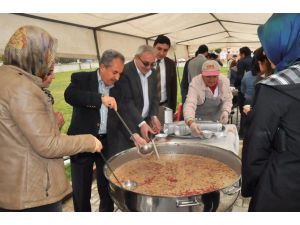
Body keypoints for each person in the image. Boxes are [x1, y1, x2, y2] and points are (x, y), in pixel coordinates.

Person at [0, 26, 102, 212]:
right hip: (32, 194)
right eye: (47, 54)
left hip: (11, 185)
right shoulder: (22, 88)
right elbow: (48, 145)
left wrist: (51, 123)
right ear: (33, 54)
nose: (49, 61)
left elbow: (17, 133)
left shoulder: (5, 78)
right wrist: (89, 141)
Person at [64, 50, 146, 212]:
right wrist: (100, 99)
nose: (117, 77)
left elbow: (121, 113)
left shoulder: (119, 85)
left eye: (120, 73)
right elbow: (70, 95)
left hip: (107, 142)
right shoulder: (81, 79)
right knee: (81, 193)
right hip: (82, 143)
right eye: (114, 72)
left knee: (107, 191)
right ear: (102, 67)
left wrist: (134, 134)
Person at [242, 13, 300, 211]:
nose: (266, 54)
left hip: (281, 189)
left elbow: (256, 148)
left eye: (268, 47)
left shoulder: (274, 88)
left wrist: (251, 188)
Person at [117, 45, 160, 144]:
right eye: (145, 63)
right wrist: (141, 123)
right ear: (136, 58)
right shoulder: (124, 72)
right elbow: (127, 102)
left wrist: (153, 115)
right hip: (129, 123)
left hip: (145, 121)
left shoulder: (153, 73)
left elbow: (155, 97)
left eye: (152, 64)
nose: (149, 67)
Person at [183, 60, 233, 136]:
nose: (212, 80)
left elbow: (227, 99)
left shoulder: (224, 81)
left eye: (214, 76)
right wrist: (190, 121)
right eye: (208, 76)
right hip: (198, 122)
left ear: (218, 74)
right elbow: (190, 103)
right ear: (202, 74)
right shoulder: (195, 82)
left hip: (217, 121)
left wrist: (226, 111)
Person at [153, 35, 177, 123]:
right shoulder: (146, 62)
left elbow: (173, 88)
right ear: (153, 46)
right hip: (148, 109)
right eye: (159, 49)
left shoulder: (170, 64)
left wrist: (173, 110)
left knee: (165, 134)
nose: (162, 53)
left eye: (165, 50)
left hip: (164, 107)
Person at [234, 46, 252, 139]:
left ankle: (242, 134)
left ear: (243, 54)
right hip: (255, 89)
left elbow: (239, 76)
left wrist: (235, 85)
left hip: (243, 89)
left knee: (243, 112)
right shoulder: (254, 60)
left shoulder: (241, 61)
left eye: (240, 54)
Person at [42, 63, 65, 130]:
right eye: (49, 73)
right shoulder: (29, 98)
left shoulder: (45, 94)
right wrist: (56, 126)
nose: (53, 77)